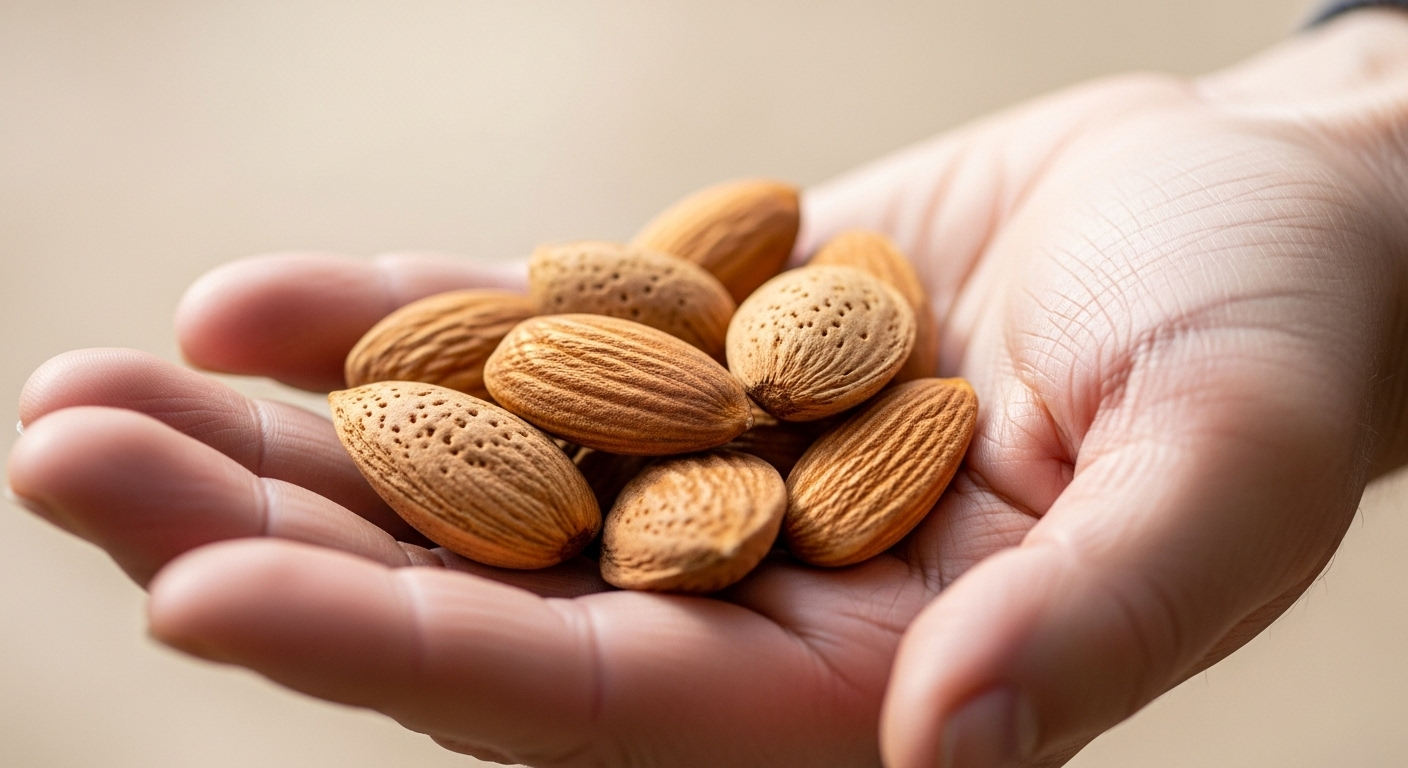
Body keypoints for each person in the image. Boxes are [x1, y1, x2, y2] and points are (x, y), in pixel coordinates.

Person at [7, 6, 1408, 768]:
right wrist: (1362, 97)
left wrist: (1364, 151)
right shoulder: (628, 376)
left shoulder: (789, 374)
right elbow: (521, 369)